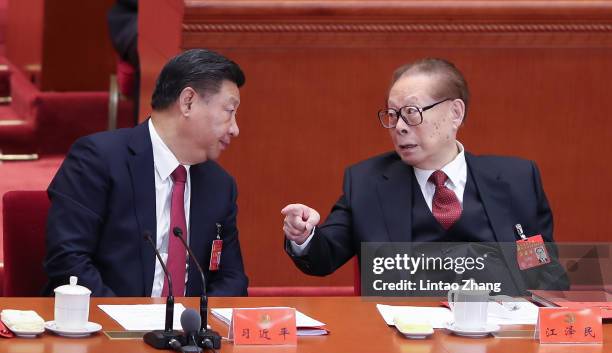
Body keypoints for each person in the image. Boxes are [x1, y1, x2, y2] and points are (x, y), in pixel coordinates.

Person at [282, 58, 568, 295]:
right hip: (406, 341)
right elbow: (325, 255)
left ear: (455, 113)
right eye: (392, 115)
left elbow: (539, 267)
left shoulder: (515, 180)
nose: (400, 127)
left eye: (412, 112)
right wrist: (304, 235)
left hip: (498, 337)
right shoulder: (368, 184)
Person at [45, 49, 249, 297]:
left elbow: (231, 278)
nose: (235, 129)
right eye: (229, 111)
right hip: (105, 327)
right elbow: (68, 261)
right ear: (188, 102)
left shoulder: (220, 186)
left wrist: (200, 325)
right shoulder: (98, 159)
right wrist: (128, 324)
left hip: (186, 331)